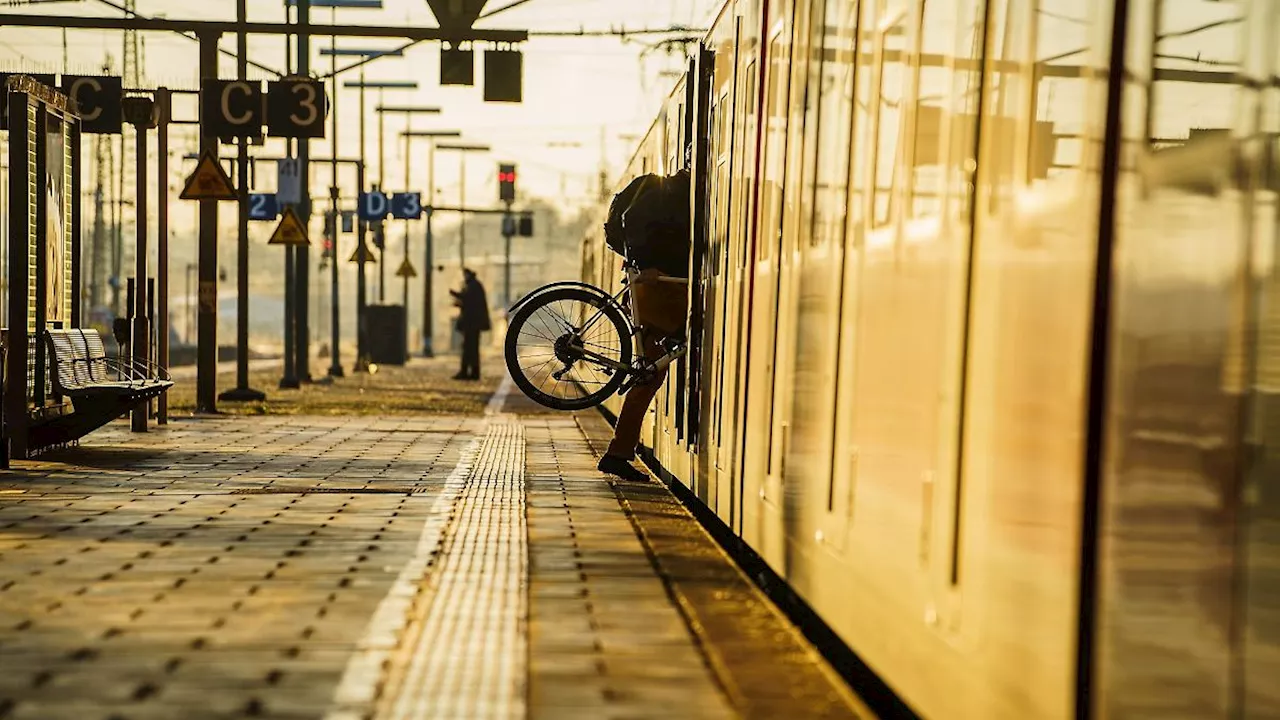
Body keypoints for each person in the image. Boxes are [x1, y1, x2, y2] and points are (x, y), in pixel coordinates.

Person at [596, 166, 692, 482]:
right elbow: (639, 227)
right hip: (654, 287)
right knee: (653, 369)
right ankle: (617, 453)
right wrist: (646, 264)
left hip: (655, 286)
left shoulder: (672, 195)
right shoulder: (672, 195)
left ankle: (619, 452)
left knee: (651, 373)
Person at [450, 269, 490, 380]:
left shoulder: (473, 286)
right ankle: (472, 372)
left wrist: (455, 295)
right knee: (471, 349)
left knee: (469, 348)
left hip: (471, 323)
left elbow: (468, 300)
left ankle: (467, 372)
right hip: (473, 323)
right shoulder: (475, 285)